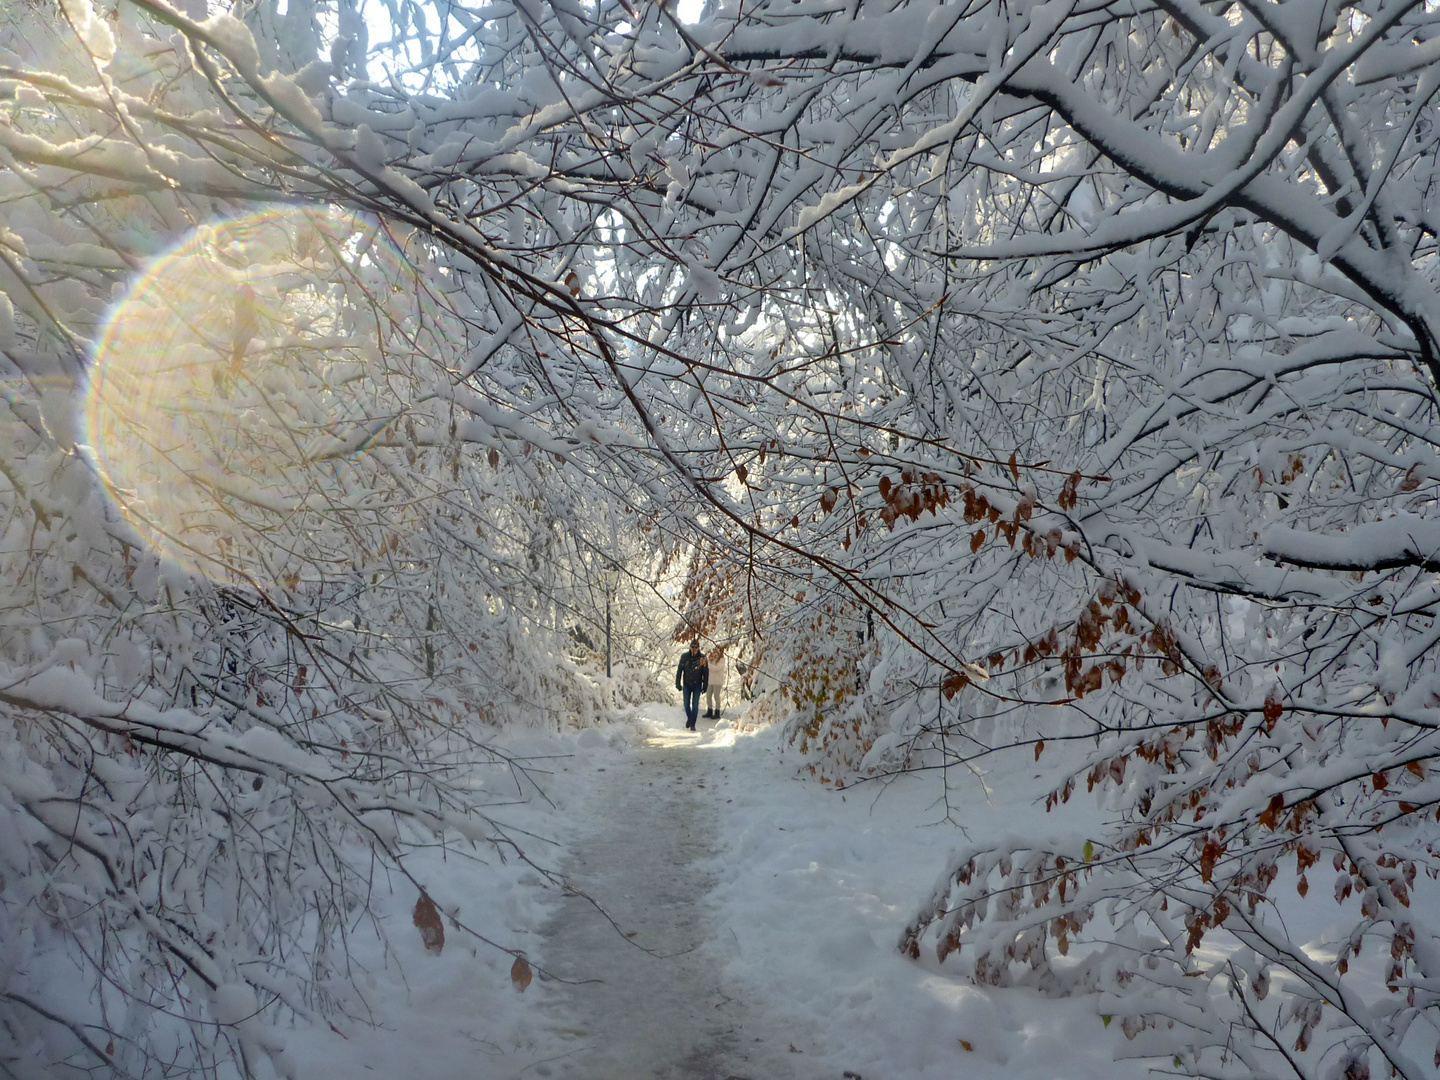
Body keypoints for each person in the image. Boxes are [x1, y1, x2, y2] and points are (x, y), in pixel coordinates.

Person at [675, 639, 708, 730]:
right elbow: (679, 670)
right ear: (690, 647)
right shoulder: (684, 657)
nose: (694, 649)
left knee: (695, 705)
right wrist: (678, 683)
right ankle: (690, 718)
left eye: (696, 647)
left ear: (698, 648)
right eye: (692, 647)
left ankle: (693, 724)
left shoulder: (702, 658)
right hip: (687, 684)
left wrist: (705, 686)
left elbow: (706, 673)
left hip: (697, 684)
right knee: (686, 704)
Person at [704, 646, 727, 719]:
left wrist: (709, 664)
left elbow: (716, 668)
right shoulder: (712, 659)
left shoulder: (721, 660)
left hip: (718, 681)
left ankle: (717, 712)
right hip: (711, 680)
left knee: (716, 696)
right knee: (708, 695)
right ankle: (709, 710)